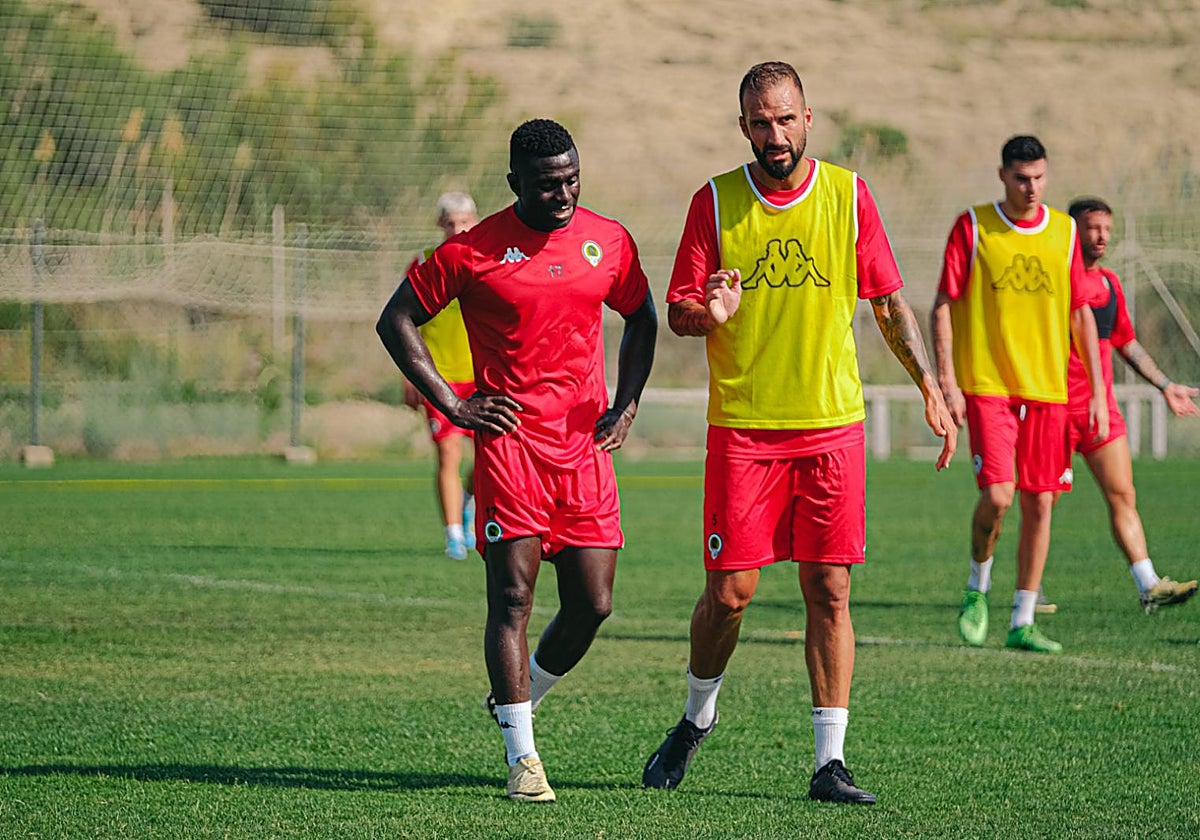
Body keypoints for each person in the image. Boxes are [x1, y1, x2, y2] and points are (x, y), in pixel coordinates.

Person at [641, 61, 956, 806]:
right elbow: (678, 309)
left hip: (831, 428)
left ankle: (829, 763)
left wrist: (930, 388)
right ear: (743, 126)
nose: (774, 134)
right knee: (730, 595)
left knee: (830, 588)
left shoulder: (848, 196)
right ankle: (696, 718)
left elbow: (886, 302)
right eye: (760, 121)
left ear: (808, 118)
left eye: (786, 119)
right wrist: (705, 314)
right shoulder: (713, 203)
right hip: (746, 430)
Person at [376, 118, 657, 803]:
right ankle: (522, 759)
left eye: (571, 180)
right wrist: (451, 404)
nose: (562, 194)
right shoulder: (472, 252)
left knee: (592, 603)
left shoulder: (608, 240)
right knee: (513, 598)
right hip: (510, 451)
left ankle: (518, 693)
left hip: (585, 449)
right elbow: (396, 320)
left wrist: (625, 404)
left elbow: (642, 316)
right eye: (545, 184)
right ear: (515, 185)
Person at [931, 135, 1109, 655]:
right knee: (999, 495)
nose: (1031, 187)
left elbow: (1081, 315)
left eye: (1039, 178)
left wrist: (1097, 392)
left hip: (1050, 390)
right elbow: (944, 302)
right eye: (1020, 178)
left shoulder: (1064, 232)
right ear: (1003, 176)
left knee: (1041, 503)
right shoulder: (974, 227)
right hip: (988, 385)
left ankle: (1023, 620)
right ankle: (977, 589)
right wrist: (948, 380)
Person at [1046, 197, 1197, 612]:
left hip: (1100, 410)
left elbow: (1125, 342)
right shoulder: (1054, 280)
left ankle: (1148, 583)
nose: (1101, 237)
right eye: (1093, 227)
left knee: (1123, 493)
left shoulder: (1110, 284)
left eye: (1107, 229)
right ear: (1072, 229)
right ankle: (1027, 589)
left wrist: (1165, 385)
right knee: (1043, 503)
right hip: (1054, 409)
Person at [402, 192, 479, 560]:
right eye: (451, 222)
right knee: (448, 454)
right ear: (440, 226)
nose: (458, 228)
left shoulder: (489, 260)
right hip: (440, 378)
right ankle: (453, 535)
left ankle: (468, 504)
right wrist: (409, 375)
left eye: (465, 220)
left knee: (488, 460)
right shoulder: (424, 264)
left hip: (484, 377)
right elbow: (403, 324)